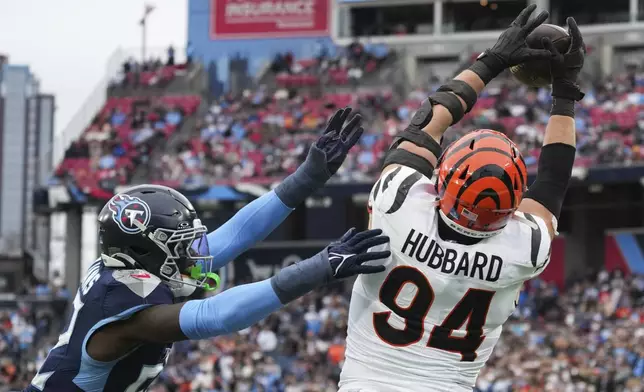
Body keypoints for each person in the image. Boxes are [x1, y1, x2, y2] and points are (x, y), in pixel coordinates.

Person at [26, 109, 392, 392]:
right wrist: (318, 268)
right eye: (179, 244)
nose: (194, 251)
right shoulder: (122, 305)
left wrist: (306, 179)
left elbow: (233, 235)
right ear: (146, 250)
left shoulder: (133, 269)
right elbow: (213, 316)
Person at [339, 6, 586, 392]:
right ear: (513, 206)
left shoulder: (401, 204)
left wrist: (492, 60)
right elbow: (552, 182)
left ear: (444, 179)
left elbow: (426, 124)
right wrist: (565, 93)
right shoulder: (524, 248)